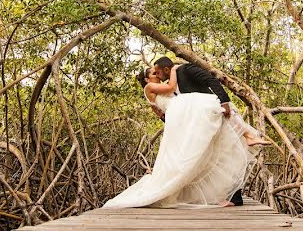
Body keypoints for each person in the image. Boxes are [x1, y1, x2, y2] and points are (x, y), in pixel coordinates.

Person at [102, 63, 252, 209]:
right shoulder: (151, 87)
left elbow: (164, 107)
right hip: (179, 115)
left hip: (180, 117)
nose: (158, 75)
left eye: (157, 72)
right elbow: (171, 89)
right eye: (154, 74)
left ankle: (245, 135)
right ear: (147, 80)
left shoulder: (158, 89)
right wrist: (174, 70)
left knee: (208, 139)